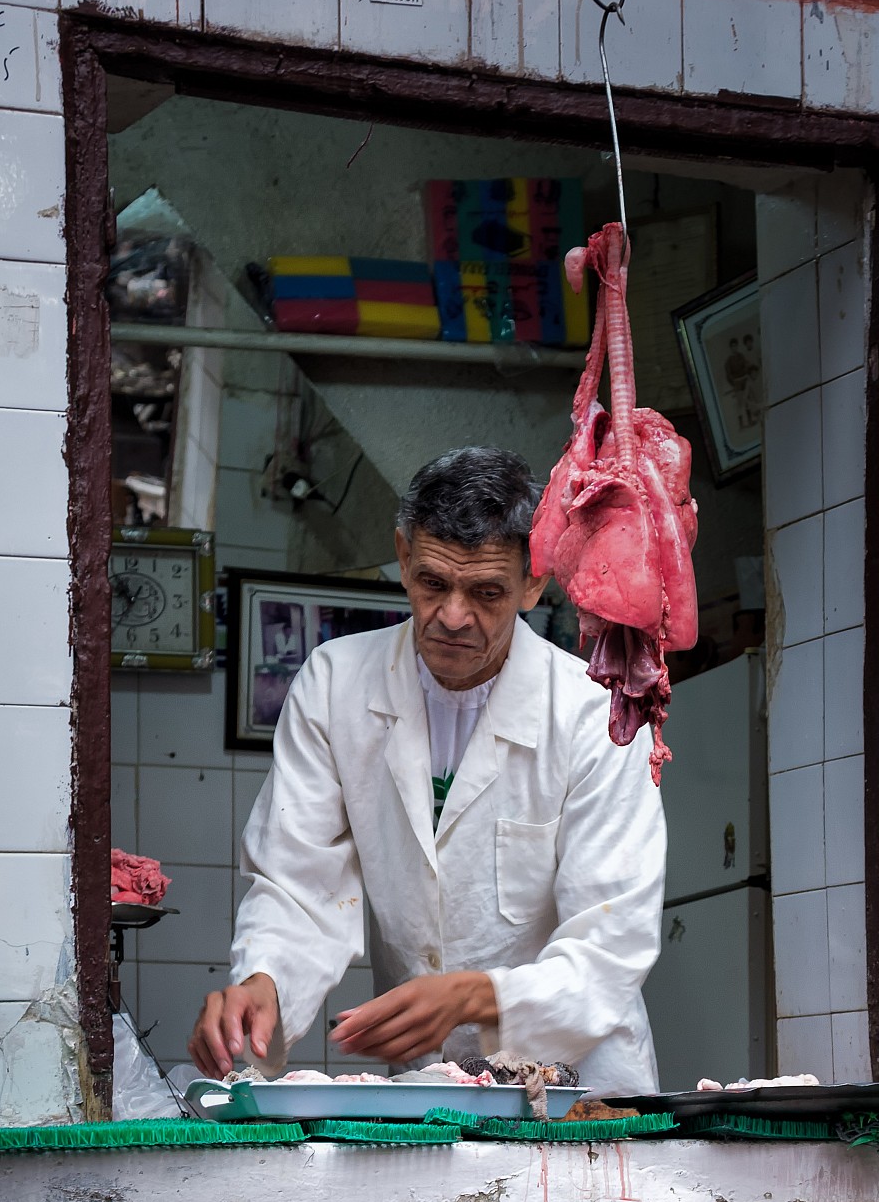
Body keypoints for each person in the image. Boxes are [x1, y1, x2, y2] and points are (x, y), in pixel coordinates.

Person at [189, 447, 666, 1088]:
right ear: (405, 556)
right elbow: (300, 884)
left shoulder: (594, 715)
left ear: (535, 581)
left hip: (583, 1078)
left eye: (487, 591)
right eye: (433, 582)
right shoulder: (336, 685)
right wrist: (264, 981)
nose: (451, 616)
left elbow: (610, 943)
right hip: (430, 1082)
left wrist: (476, 997)